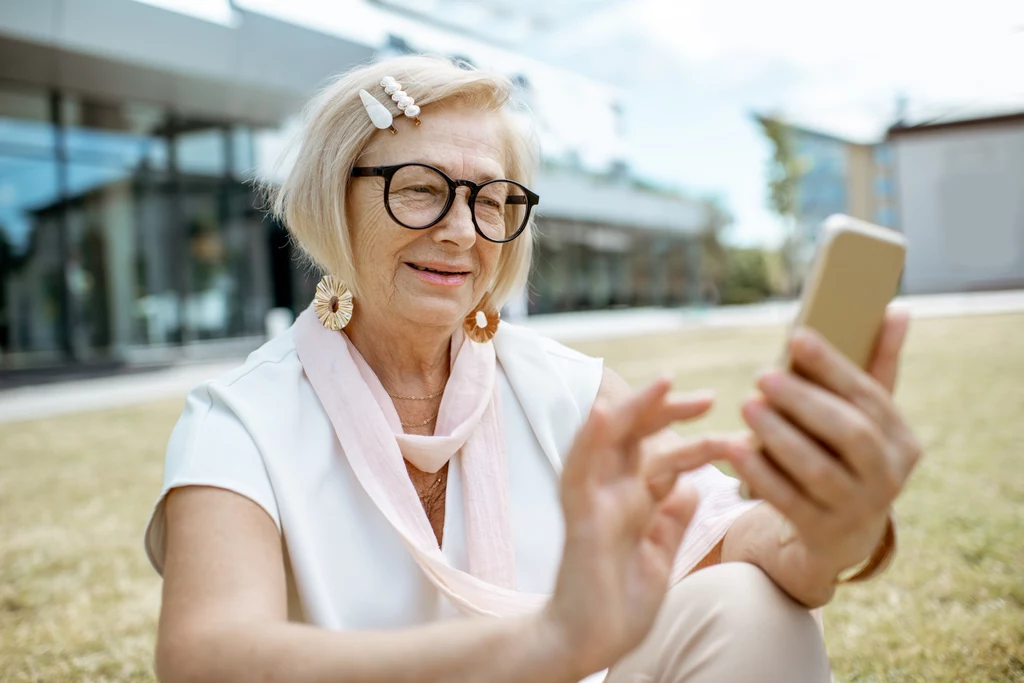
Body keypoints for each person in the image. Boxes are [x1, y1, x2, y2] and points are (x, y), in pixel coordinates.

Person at [144, 55, 922, 683]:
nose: (460, 229)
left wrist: (830, 525)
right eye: (421, 189)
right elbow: (207, 657)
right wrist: (544, 646)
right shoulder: (239, 417)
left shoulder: (569, 389)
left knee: (751, 602)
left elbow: (738, 540)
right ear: (331, 200)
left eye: (492, 199)